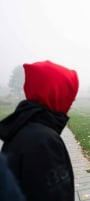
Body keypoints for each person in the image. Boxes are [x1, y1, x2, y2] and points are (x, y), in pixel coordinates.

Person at [0, 60, 79, 201]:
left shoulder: (22, 127)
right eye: (69, 98)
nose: (71, 104)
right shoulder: (44, 141)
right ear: (55, 95)